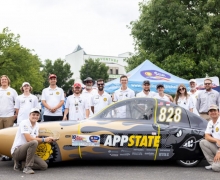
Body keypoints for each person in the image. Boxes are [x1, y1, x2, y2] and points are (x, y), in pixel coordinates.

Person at [11, 108, 54, 174]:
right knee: (33, 142)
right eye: (33, 114)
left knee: (44, 166)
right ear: (29, 115)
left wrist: (48, 140)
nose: (35, 116)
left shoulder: (37, 125)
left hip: (28, 152)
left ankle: (21, 164)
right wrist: (44, 139)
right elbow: (29, 139)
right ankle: (27, 167)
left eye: (37, 115)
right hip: (17, 151)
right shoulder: (24, 123)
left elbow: (36, 139)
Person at [0, 75, 18, 161]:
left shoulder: (12, 91)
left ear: (8, 81)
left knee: (8, 136)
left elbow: (17, 103)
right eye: (2, 80)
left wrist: (16, 114)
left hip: (9, 116)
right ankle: (1, 154)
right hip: (0, 116)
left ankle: (8, 154)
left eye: (5, 79)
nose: (3, 81)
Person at [199, 105, 220, 172]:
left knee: (216, 168)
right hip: (217, 145)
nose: (213, 112)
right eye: (211, 111)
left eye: (215, 110)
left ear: (218, 112)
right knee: (203, 142)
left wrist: (219, 152)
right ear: (209, 113)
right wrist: (216, 140)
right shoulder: (210, 122)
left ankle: (215, 165)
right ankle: (213, 163)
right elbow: (206, 136)